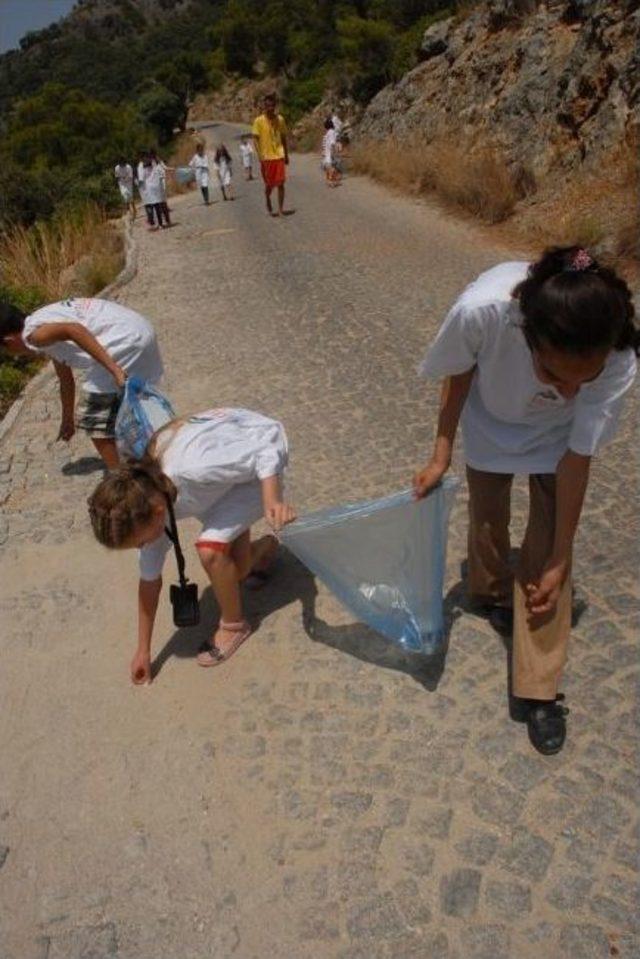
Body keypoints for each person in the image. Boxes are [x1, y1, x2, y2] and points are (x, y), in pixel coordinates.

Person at [413, 247, 638, 755]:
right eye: (556, 375)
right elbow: (460, 371)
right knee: (488, 519)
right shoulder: (486, 312)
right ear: (528, 337)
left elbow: (579, 458)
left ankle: (538, 689)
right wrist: (441, 453)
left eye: (585, 379)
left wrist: (560, 555)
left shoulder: (619, 353)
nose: (569, 391)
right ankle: (490, 592)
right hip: (492, 417)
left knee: (547, 552)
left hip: (557, 440)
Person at [87, 407, 297, 685]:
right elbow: (149, 583)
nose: (143, 547)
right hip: (221, 484)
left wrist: (272, 501)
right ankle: (264, 550)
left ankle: (234, 625)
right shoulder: (147, 494)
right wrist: (143, 650)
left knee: (210, 550)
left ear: (158, 511)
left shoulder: (193, 469)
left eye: (140, 541)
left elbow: (266, 445)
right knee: (236, 571)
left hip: (258, 461)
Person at [0, 297, 164, 469]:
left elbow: (74, 330)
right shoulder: (43, 321)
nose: (13, 354)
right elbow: (65, 380)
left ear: (9, 341)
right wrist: (68, 419)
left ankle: (122, 481)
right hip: (140, 331)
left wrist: (114, 369)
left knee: (95, 422)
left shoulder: (35, 335)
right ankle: (153, 458)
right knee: (134, 405)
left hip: (124, 342)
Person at [252, 93, 289, 217]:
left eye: (273, 106)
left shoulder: (280, 120)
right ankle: (267, 197)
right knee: (269, 184)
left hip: (279, 155)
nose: (270, 108)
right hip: (266, 157)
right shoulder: (258, 121)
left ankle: (280, 209)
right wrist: (259, 155)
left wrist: (286, 154)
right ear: (264, 106)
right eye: (268, 106)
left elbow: (283, 138)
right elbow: (255, 139)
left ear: (275, 106)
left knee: (281, 183)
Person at [137, 153, 169, 230]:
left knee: (150, 206)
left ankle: (153, 223)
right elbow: (160, 173)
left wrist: (138, 186)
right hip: (156, 186)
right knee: (157, 206)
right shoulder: (154, 163)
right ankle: (160, 224)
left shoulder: (141, 166)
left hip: (148, 189)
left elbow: (141, 179)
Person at [321, 119, 340, 187]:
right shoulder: (330, 132)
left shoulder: (331, 132)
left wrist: (332, 153)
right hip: (328, 153)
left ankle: (332, 181)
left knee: (329, 167)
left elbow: (332, 143)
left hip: (330, 153)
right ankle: (333, 180)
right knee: (327, 167)